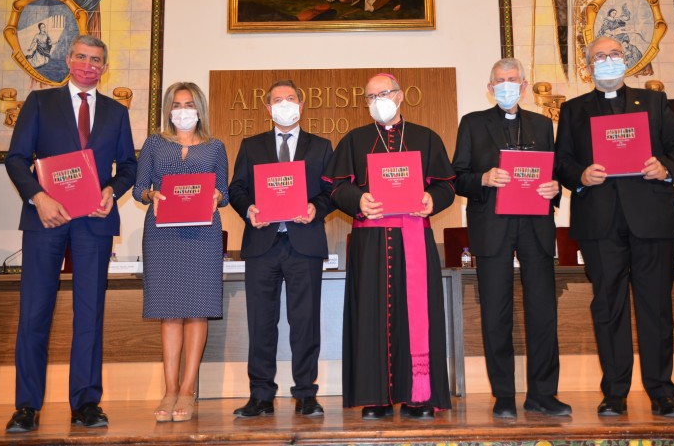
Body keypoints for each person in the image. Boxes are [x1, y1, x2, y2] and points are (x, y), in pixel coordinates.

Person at [4, 34, 137, 433]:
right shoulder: (40, 103)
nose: (88, 65)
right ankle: (26, 407)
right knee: (34, 314)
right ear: (68, 59)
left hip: (94, 223)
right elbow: (15, 159)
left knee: (90, 314)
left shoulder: (116, 112)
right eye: (81, 56)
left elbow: (128, 165)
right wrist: (38, 198)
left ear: (104, 66)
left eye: (96, 59)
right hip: (46, 220)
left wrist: (112, 190)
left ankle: (86, 403)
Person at [555, 36, 674, 418]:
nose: (608, 61)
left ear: (626, 59)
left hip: (652, 222)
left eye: (614, 54)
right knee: (608, 309)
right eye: (599, 56)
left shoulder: (653, 102)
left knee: (656, 309)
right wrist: (581, 175)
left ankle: (661, 392)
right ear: (589, 65)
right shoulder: (573, 110)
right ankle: (614, 393)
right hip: (600, 223)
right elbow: (561, 162)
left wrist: (666, 167)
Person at [323, 73, 454, 420]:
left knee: (418, 314)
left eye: (383, 93)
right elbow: (335, 188)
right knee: (371, 312)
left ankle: (419, 396)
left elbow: (447, 187)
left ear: (399, 96)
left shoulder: (426, 138)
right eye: (370, 96)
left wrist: (431, 200)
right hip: (371, 240)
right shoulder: (355, 140)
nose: (377, 100)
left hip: (414, 238)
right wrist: (358, 200)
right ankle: (374, 397)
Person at [452, 58, 571, 418]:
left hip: (535, 227)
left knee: (543, 313)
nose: (506, 85)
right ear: (490, 88)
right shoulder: (472, 123)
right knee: (496, 313)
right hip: (492, 227)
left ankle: (543, 394)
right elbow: (457, 177)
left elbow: (553, 173)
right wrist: (484, 179)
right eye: (499, 81)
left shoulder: (541, 124)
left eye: (513, 80)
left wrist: (555, 189)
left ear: (523, 86)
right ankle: (503, 395)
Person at [229, 79, 333, 417]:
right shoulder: (251, 144)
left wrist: (317, 208)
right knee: (261, 323)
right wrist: (249, 210)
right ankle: (260, 395)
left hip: (304, 244)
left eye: (290, 99)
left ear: (302, 106)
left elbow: (332, 191)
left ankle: (306, 393)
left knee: (305, 322)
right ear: (267, 108)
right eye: (277, 99)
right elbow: (237, 188)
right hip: (263, 244)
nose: (284, 104)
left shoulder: (321, 146)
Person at [132, 82, 229, 422]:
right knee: (169, 311)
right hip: (162, 232)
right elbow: (139, 188)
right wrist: (150, 196)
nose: (183, 110)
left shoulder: (216, 147)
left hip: (202, 232)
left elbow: (225, 192)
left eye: (189, 103)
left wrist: (217, 197)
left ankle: (188, 391)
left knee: (197, 311)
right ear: (168, 109)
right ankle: (169, 389)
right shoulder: (155, 143)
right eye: (177, 104)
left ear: (199, 108)